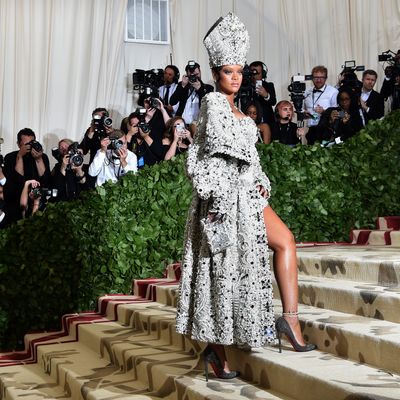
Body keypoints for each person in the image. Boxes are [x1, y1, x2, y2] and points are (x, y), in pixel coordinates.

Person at [176, 13, 315, 381]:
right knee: (218, 271)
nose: (235, 78)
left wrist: (259, 179)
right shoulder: (212, 103)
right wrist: (233, 182)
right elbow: (214, 152)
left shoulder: (240, 109)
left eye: (239, 71)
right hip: (223, 200)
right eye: (228, 71)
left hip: (248, 198)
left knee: (285, 241)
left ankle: (290, 321)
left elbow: (250, 159)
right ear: (215, 73)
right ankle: (216, 351)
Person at [3, 128, 51, 224]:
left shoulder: (43, 156)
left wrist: (38, 159)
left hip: (38, 201)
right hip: (16, 202)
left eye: (32, 143)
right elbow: (18, 181)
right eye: (26, 144)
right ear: (18, 144)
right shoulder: (10, 157)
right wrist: (20, 156)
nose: (29, 147)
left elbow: (45, 180)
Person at [304, 66, 338, 144]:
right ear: (312, 78)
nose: (318, 80)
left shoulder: (333, 91)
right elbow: (303, 110)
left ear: (326, 78)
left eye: (321, 77)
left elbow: (337, 112)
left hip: (326, 129)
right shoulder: (307, 91)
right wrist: (304, 114)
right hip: (311, 130)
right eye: (316, 77)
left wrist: (324, 111)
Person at [248, 61, 277, 125]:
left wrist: (266, 95)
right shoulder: (244, 87)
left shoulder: (269, 85)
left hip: (266, 120)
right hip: (248, 120)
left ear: (263, 74)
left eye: (257, 73)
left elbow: (273, 102)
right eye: (252, 73)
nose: (254, 76)